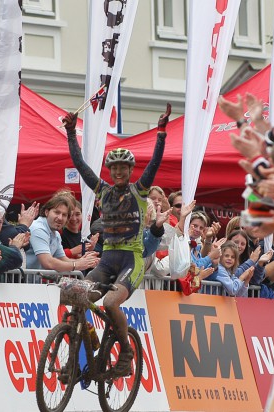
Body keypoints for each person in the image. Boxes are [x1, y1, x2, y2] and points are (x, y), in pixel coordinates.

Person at [63, 103, 171, 375]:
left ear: (130, 169)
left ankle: (126, 350)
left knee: (110, 303)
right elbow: (79, 164)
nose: (119, 172)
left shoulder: (139, 191)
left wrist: (161, 132)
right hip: (107, 260)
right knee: (74, 295)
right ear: (110, 171)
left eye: (124, 168)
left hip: (131, 261)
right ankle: (80, 352)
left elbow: (155, 164)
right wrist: (71, 132)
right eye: (115, 168)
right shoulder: (102, 191)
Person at [29, 194, 100, 272]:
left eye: (64, 215)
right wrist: (77, 264)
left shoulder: (56, 234)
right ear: (46, 212)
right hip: (24, 282)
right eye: (57, 212)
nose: (60, 218)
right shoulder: (39, 229)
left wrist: (85, 261)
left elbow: (63, 259)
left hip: (33, 282)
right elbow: (48, 262)